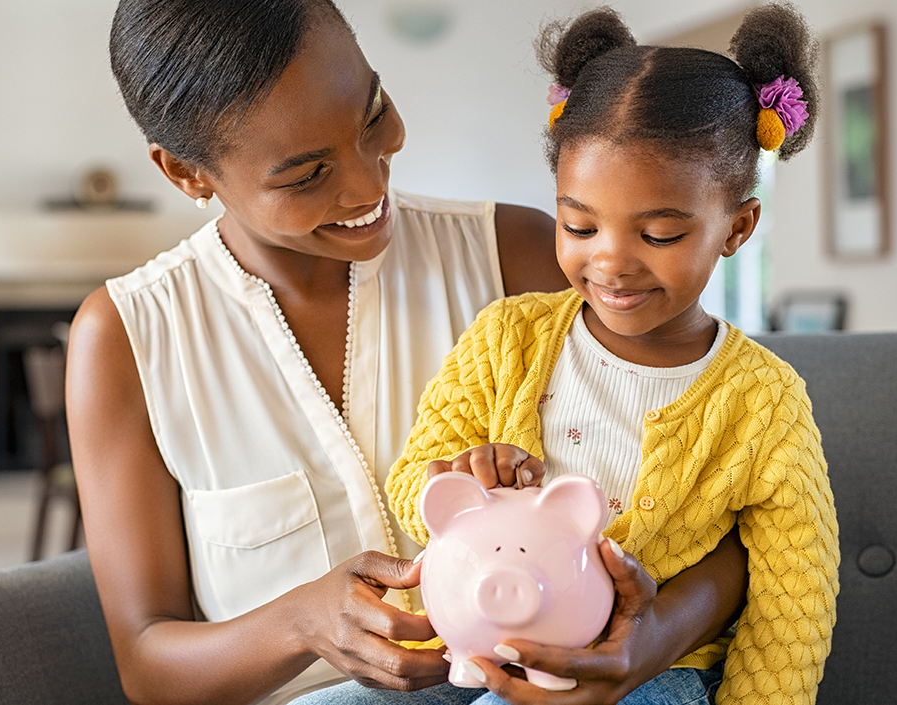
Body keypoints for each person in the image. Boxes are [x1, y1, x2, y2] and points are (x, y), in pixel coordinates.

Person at [65, 2, 751, 704]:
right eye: (305, 174)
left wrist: (652, 639)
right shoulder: (126, 338)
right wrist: (298, 622)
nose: (368, 186)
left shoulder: (515, 259)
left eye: (373, 116)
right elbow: (148, 664)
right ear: (186, 173)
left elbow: (719, 503)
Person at [299, 5, 839, 705]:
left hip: (656, 670)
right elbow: (414, 482)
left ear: (737, 226)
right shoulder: (507, 336)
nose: (610, 261)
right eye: (579, 224)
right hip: (480, 635)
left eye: (661, 234)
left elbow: (795, 596)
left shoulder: (764, 400)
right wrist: (468, 477)